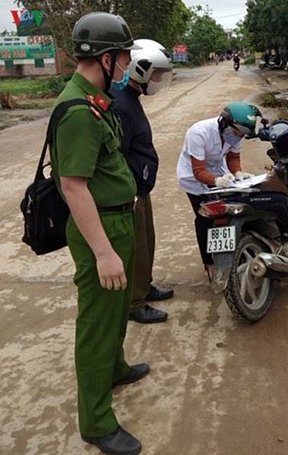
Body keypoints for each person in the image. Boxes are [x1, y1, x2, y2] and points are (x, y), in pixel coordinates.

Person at [50, 12, 147, 455]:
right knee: (96, 325)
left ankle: (115, 368)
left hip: (118, 222)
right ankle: (96, 421)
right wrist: (104, 252)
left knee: (114, 313)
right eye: (124, 59)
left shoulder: (95, 100)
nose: (127, 68)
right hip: (101, 230)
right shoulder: (77, 111)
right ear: (106, 59)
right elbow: (73, 186)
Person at [113, 39, 174, 324]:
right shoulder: (122, 105)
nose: (158, 81)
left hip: (141, 188)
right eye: (156, 75)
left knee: (147, 242)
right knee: (136, 248)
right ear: (141, 70)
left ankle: (145, 286)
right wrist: (131, 192)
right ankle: (135, 303)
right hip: (132, 190)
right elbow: (119, 155)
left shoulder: (131, 99)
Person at [176, 101, 261, 281]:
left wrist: (237, 172)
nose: (238, 137)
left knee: (232, 210)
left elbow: (233, 156)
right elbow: (198, 170)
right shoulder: (199, 132)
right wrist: (216, 180)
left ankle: (230, 251)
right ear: (225, 123)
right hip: (193, 179)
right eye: (237, 133)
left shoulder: (236, 135)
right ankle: (209, 263)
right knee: (205, 217)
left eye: (242, 135)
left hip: (218, 172)